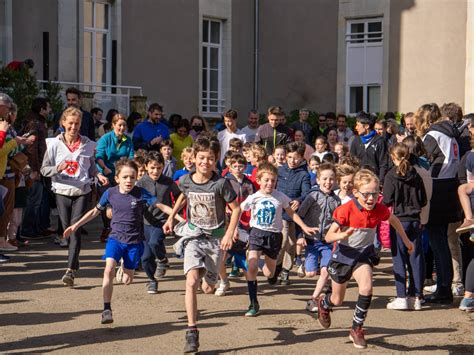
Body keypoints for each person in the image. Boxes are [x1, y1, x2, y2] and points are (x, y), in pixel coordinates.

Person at [62, 158, 168, 324]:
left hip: (134, 242)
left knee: (127, 280)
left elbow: (160, 206)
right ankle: (106, 309)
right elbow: (94, 212)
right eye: (125, 177)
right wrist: (75, 225)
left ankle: (124, 267)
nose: (129, 181)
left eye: (132, 177)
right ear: (117, 178)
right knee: (107, 270)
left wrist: (176, 217)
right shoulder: (110, 193)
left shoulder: (140, 193)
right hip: (115, 239)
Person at [317, 169, 414, 349]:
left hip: (363, 255)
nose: (371, 198)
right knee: (337, 300)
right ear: (355, 192)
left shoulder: (379, 208)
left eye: (375, 193)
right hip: (343, 256)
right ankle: (324, 302)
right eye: (367, 194)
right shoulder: (345, 210)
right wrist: (343, 234)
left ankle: (356, 328)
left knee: (367, 288)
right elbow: (329, 237)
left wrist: (407, 240)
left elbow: (394, 220)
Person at [163, 137, 240, 353]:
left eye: (211, 158)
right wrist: (172, 218)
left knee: (207, 288)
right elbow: (182, 196)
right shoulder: (186, 180)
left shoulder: (221, 183)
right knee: (191, 281)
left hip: (215, 239)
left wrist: (229, 233)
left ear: (216, 161)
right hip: (194, 236)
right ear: (194, 158)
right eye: (201, 157)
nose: (205, 162)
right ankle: (192, 331)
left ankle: (211, 276)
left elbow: (236, 209)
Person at [41, 107, 108, 286]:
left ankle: (70, 270)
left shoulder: (88, 143)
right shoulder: (54, 144)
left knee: (75, 229)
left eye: (77, 123)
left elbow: (91, 166)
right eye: (70, 123)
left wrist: (98, 175)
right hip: (62, 191)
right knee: (67, 231)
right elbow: (44, 169)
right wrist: (57, 169)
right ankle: (74, 261)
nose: (73, 127)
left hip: (82, 192)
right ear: (63, 123)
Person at [242, 162, 317, 316]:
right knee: (252, 266)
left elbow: (291, 213)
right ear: (258, 180)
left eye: (273, 180)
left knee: (269, 273)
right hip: (256, 233)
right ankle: (253, 303)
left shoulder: (280, 196)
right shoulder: (253, 197)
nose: (270, 183)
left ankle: (264, 263)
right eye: (266, 180)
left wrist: (304, 227)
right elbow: (238, 210)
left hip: (274, 236)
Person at [415, 103, 461, 304]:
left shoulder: (432, 135)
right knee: (441, 240)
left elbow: (425, 162)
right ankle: (445, 285)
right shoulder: (450, 134)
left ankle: (443, 288)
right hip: (450, 186)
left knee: (437, 241)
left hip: (437, 188)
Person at [383, 143, 427, 310]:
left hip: (399, 220)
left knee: (399, 258)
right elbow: (423, 200)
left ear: (393, 157)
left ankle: (401, 296)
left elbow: (387, 200)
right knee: (416, 259)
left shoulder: (391, 176)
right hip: (415, 220)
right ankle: (416, 296)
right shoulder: (416, 174)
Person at [136, 151, 182, 293]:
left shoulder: (168, 182)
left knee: (155, 242)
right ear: (146, 167)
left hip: (162, 221)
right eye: (152, 167)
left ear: (163, 167)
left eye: (159, 168)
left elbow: (180, 196)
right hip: (144, 222)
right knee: (145, 257)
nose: (155, 171)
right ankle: (151, 280)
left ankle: (162, 260)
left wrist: (174, 215)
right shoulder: (141, 182)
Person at [297, 163, 340, 313]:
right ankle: (303, 265)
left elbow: (338, 222)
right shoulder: (312, 196)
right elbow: (299, 216)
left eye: (331, 179)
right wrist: (299, 235)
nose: (328, 182)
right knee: (310, 273)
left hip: (327, 242)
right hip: (311, 242)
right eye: (325, 179)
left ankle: (313, 299)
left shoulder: (336, 201)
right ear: (318, 180)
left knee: (325, 271)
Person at [216, 153, 256, 295]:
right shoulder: (225, 181)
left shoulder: (249, 183)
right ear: (229, 167)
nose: (238, 169)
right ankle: (223, 281)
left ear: (245, 167)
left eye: (240, 166)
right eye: (235, 166)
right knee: (220, 255)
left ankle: (252, 286)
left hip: (245, 222)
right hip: (227, 222)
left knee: (240, 254)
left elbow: (254, 201)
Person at [274, 142, 311, 285]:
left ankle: (285, 270)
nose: (292, 161)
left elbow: (306, 193)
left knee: (291, 243)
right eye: (289, 157)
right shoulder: (279, 170)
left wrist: (299, 200)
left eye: (295, 158)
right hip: (280, 211)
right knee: (282, 241)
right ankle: (276, 267)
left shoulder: (303, 174)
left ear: (301, 158)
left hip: (295, 213)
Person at [95, 113, 134, 242]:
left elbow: (131, 157)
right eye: (119, 125)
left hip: (120, 175)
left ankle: (117, 229)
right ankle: (107, 228)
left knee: (120, 201)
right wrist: (104, 168)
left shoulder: (127, 140)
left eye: (124, 125)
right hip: (105, 174)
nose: (122, 128)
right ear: (113, 125)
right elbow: (99, 156)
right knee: (108, 202)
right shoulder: (105, 138)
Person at [21, 97, 52, 239]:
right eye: (48, 107)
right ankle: (28, 230)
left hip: (39, 167)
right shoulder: (34, 124)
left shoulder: (38, 123)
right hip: (35, 169)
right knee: (33, 200)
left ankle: (35, 228)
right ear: (42, 109)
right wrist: (35, 169)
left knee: (37, 200)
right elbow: (32, 148)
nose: (50, 110)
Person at [350, 111, 389, 183]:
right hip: (359, 181)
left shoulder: (380, 141)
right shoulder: (356, 140)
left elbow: (383, 164)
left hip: (375, 181)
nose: (356, 128)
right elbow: (352, 162)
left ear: (367, 126)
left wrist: (380, 182)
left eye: (358, 125)